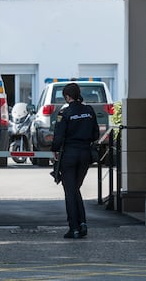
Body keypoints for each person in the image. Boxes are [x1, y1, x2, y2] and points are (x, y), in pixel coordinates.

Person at [51, 83, 100, 239]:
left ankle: (74, 228)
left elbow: (58, 136)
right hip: (85, 154)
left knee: (70, 192)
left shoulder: (64, 112)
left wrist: (55, 150)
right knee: (75, 189)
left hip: (69, 155)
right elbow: (96, 134)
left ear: (67, 96)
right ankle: (83, 224)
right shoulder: (89, 111)